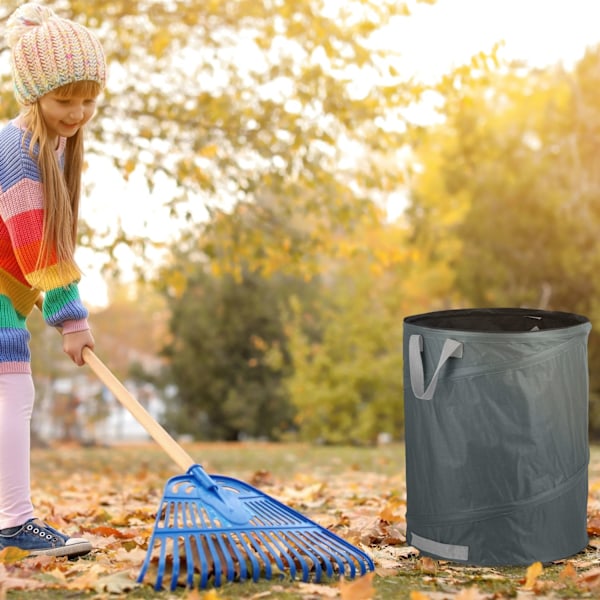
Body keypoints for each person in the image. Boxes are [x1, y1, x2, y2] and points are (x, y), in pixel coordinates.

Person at [0, 2, 106, 558]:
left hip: (6, 289)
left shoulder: (57, 147)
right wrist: (71, 316)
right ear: (32, 94)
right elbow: (39, 242)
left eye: (89, 99)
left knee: (11, 392)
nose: (78, 111)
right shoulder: (16, 152)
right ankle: (14, 525)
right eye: (65, 99)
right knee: (13, 391)